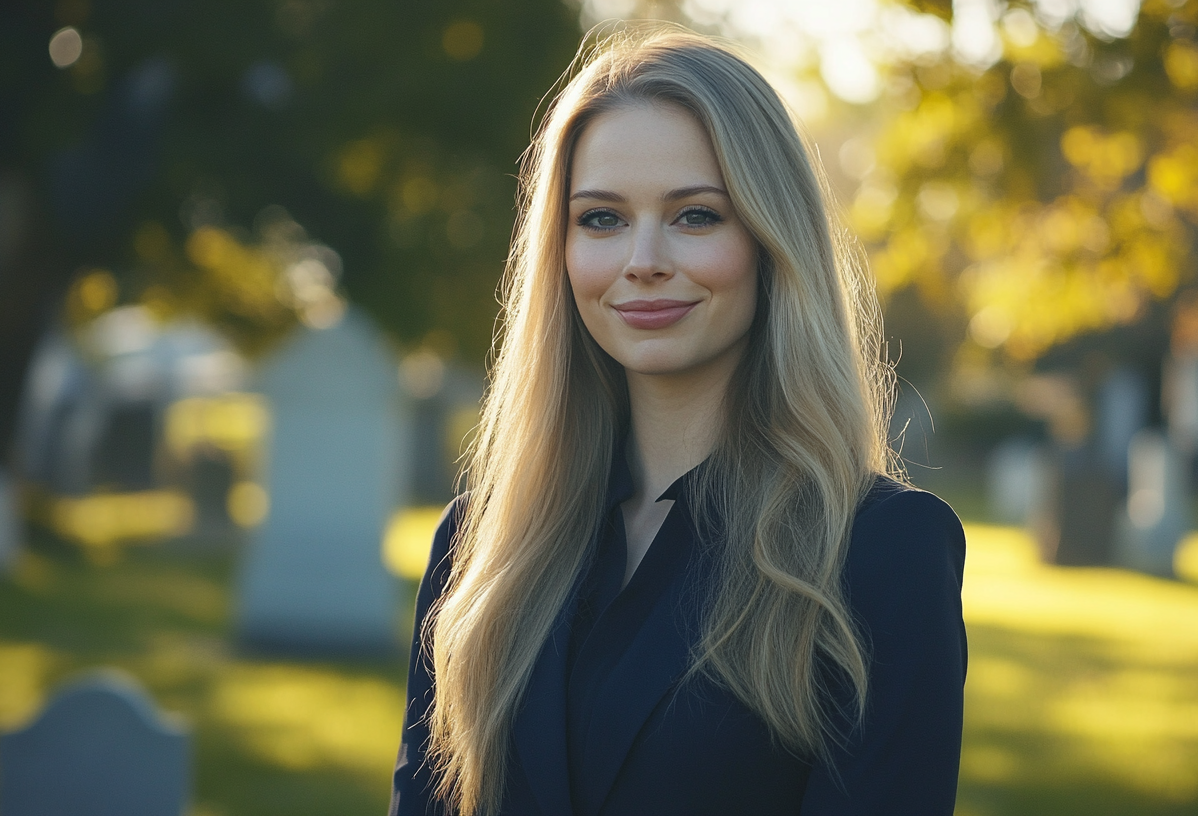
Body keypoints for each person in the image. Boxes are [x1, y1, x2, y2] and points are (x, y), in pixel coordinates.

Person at [390, 25, 965, 816]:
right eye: (601, 219)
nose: (643, 259)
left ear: (771, 241)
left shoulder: (880, 551)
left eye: (696, 216)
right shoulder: (478, 551)